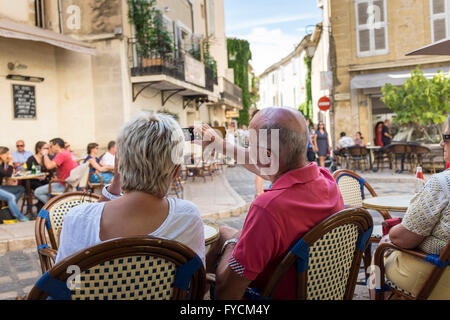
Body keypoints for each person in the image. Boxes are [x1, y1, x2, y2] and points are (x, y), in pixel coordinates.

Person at [196, 107, 344, 299]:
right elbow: (265, 166)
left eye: (250, 145)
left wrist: (235, 241)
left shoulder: (269, 208)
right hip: (318, 290)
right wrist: (220, 144)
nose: (248, 150)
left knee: (224, 236)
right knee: (224, 232)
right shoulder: (326, 180)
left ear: (267, 156)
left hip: (268, 295)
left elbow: (227, 292)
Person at [55, 112, 205, 267]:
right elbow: (194, 283)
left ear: (118, 164)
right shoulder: (187, 216)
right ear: (176, 172)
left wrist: (116, 181)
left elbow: (62, 286)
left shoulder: (78, 219)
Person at [370, 115, 450, 300]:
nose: (440, 143)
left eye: (446, 137)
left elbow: (403, 238)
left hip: (437, 276)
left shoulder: (442, 183)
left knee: (380, 252)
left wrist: (389, 237)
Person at [34, 138, 78, 205]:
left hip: (65, 185)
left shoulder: (61, 154)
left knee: (37, 192)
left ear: (57, 145)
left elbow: (49, 166)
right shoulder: (67, 153)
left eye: (51, 146)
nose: (49, 149)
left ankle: (55, 207)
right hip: (70, 184)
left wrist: (45, 155)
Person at [0, 147, 29, 222]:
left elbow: (7, 173)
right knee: (11, 197)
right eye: (7, 154)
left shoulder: (2, 163)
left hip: (1, 187)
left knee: (21, 188)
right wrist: (10, 162)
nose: (9, 155)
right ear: (1, 155)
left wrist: (9, 164)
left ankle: (11, 208)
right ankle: (19, 217)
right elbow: (8, 175)